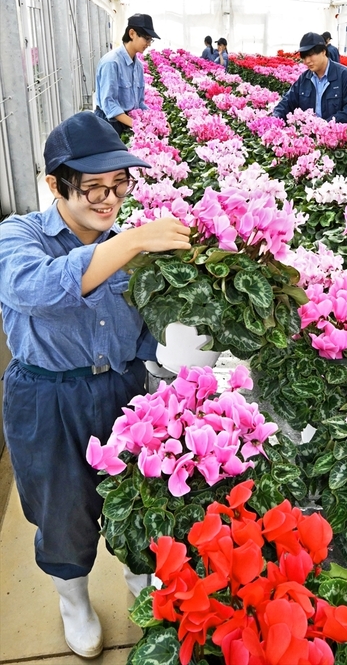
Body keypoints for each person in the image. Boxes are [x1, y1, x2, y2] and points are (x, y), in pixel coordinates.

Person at [0, 112, 191, 658]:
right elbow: (36, 289)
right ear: (55, 185)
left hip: (125, 390)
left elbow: (159, 319)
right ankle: (74, 600)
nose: (109, 201)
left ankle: (139, 575)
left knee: (142, 495)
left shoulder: (130, 241)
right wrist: (130, 242)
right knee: (63, 507)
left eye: (119, 186)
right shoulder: (18, 236)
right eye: (93, 189)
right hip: (48, 396)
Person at [95, 13, 160, 136]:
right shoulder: (111, 63)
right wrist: (137, 126)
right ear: (132, 33)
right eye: (146, 38)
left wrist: (157, 120)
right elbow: (109, 104)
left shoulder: (138, 66)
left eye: (150, 40)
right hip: (108, 124)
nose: (149, 43)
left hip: (128, 121)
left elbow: (139, 103)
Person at [273, 32, 347, 124]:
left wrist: (326, 125)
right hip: (309, 135)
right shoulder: (304, 79)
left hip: (335, 135)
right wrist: (274, 118)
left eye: (310, 55)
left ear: (323, 51)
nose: (307, 61)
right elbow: (287, 102)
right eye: (304, 57)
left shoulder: (345, 75)